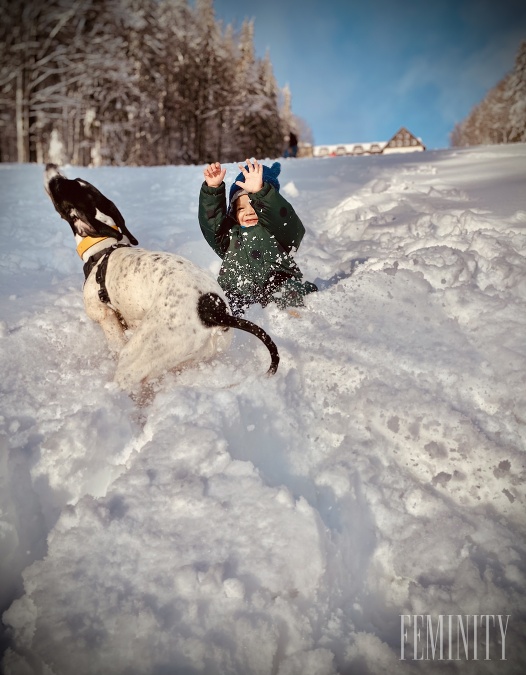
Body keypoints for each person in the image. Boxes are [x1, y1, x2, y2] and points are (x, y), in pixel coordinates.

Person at [199, 158, 317, 316]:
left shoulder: (277, 231)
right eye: (240, 208)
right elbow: (212, 226)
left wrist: (260, 193)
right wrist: (212, 190)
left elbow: (285, 220)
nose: (248, 212)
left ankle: (294, 316)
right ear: (233, 213)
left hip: (277, 285)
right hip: (238, 291)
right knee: (224, 306)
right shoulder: (229, 236)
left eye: (253, 204)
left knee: (288, 292)